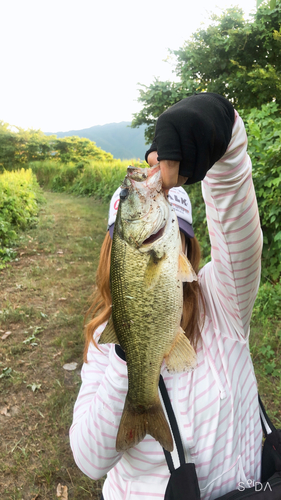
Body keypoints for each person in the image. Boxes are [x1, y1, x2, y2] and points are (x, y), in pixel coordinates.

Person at [70, 92, 263, 500]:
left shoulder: (223, 301)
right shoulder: (106, 341)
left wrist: (221, 123)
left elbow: (236, 217)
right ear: (113, 252)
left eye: (180, 236)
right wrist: (128, 353)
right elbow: (89, 461)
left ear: (187, 247)